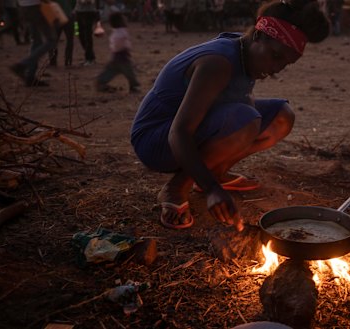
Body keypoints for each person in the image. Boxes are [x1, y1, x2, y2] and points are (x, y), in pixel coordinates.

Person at [130, 0, 329, 230]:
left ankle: (213, 172)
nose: (277, 69)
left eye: (286, 63)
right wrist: (215, 191)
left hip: (188, 131)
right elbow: (179, 132)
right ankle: (177, 187)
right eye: (275, 56)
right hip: (157, 139)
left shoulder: (245, 50)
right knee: (246, 120)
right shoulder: (218, 63)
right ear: (258, 36)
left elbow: (231, 102)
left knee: (282, 117)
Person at [9, 0, 57, 86]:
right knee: (51, 40)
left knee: (37, 41)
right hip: (36, 6)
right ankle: (23, 64)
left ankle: (30, 77)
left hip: (24, 7)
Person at [96, 12, 140, 93]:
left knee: (110, 71)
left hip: (116, 56)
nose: (126, 20)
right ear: (120, 21)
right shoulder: (121, 32)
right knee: (130, 72)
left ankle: (101, 82)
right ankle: (134, 86)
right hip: (122, 57)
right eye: (124, 19)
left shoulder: (116, 32)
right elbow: (121, 44)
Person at [49, 0, 75, 67]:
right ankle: (68, 60)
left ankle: (53, 61)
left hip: (57, 17)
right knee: (70, 40)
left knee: (53, 40)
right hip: (68, 16)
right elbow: (73, 3)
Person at [74, 0, 99, 66]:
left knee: (87, 35)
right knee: (80, 34)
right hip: (78, 11)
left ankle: (89, 59)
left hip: (88, 12)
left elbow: (91, 1)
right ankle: (90, 56)